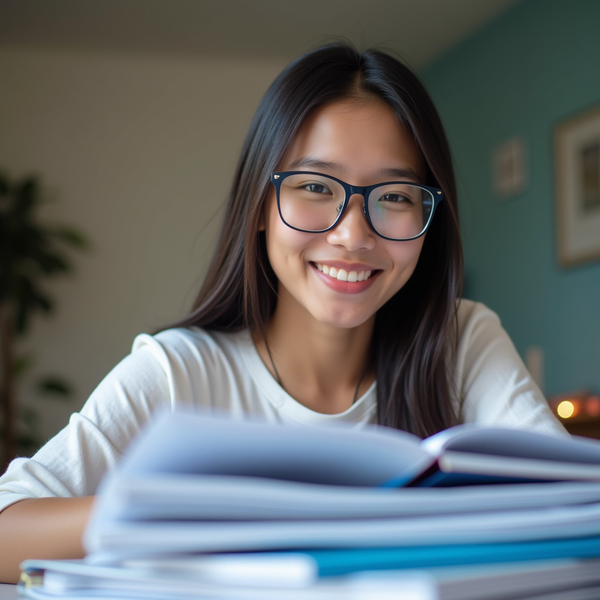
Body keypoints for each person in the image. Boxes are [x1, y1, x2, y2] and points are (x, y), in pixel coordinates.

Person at [0, 42, 565, 583]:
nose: (351, 234)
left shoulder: (462, 340)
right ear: (260, 208)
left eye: (394, 195)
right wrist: (182, 507)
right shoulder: (179, 371)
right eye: (316, 186)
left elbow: (569, 508)